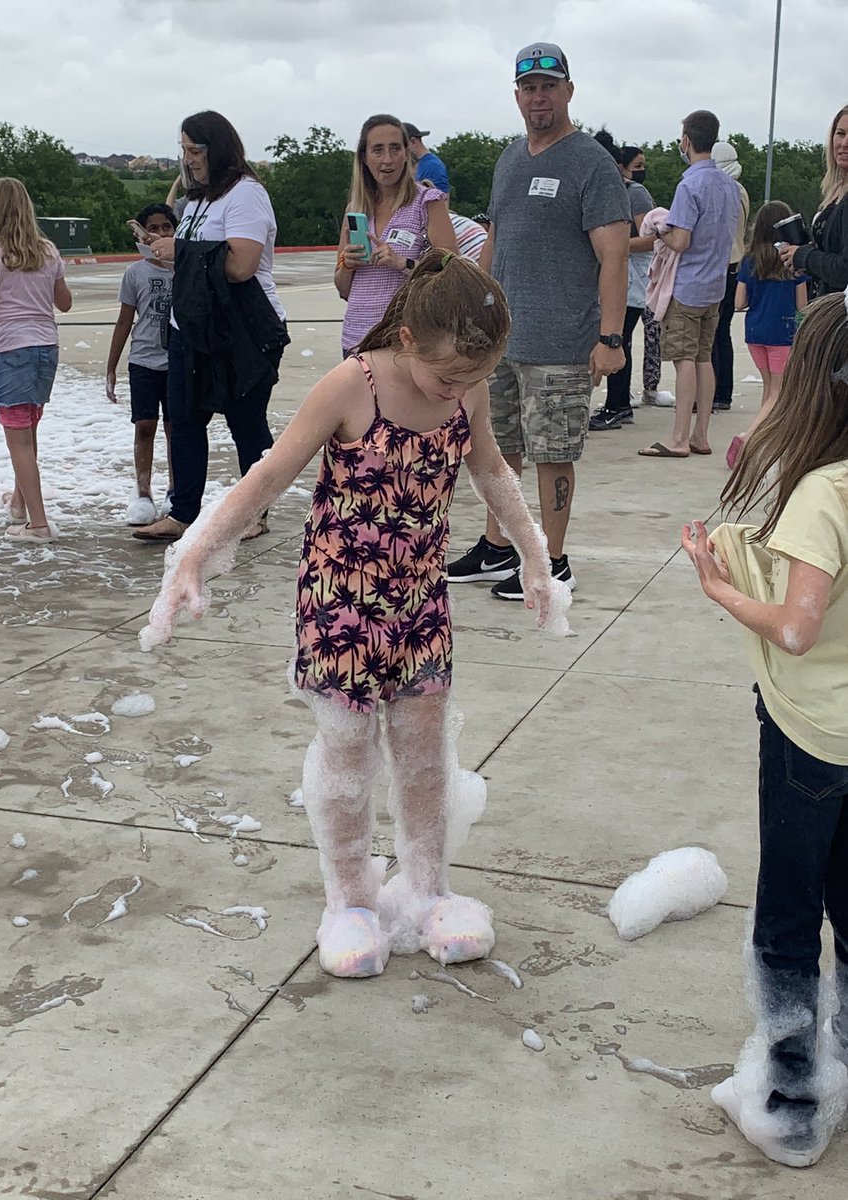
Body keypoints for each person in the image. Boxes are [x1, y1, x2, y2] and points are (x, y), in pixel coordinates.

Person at [140, 251, 571, 979]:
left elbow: (492, 468)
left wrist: (533, 553)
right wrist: (192, 553)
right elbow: (269, 474)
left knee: (426, 756)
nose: (462, 391)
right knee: (346, 758)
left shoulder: (465, 388)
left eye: (474, 379)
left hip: (420, 601)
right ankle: (350, 901)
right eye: (450, 378)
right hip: (341, 602)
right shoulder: (352, 385)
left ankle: (427, 890)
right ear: (407, 339)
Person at [682, 291, 848, 1169]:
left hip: (810, 735)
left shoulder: (824, 490)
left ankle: (789, 1103)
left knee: (788, 918)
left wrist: (721, 588)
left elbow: (795, 627)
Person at [446, 41, 630, 596]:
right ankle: (498, 548)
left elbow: (614, 257)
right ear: (517, 95)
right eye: (529, 87)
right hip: (501, 339)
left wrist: (611, 338)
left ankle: (552, 560)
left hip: (561, 342)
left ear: (568, 91)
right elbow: (496, 241)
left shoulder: (591, 163)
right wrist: (470, 305)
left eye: (549, 85)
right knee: (497, 450)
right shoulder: (509, 158)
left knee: (553, 452)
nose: (539, 97)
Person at [133, 111, 289, 543]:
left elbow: (241, 264)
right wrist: (166, 250)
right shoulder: (199, 199)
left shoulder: (246, 194)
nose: (188, 159)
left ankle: (254, 513)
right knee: (182, 418)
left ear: (217, 149)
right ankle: (182, 512)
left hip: (243, 327)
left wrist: (179, 248)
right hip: (193, 326)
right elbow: (199, 257)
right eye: (183, 149)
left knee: (246, 421)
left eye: (195, 150)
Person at [0, 177, 72, 541]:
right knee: (29, 426)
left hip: (10, 348)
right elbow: (64, 303)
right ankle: (20, 503)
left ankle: (38, 524)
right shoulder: (48, 250)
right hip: (45, 347)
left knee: (17, 436)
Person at [639, 110, 741, 459]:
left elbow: (681, 241)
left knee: (682, 360)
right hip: (715, 284)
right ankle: (700, 435)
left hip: (687, 286)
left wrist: (657, 229)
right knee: (702, 358)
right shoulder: (728, 184)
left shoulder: (690, 185)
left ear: (686, 140)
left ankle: (679, 437)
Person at [335, 114, 457, 356]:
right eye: (377, 150)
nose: (387, 159)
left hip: (405, 338)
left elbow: (452, 270)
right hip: (356, 339)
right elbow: (343, 290)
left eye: (394, 149)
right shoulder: (356, 209)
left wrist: (402, 263)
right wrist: (347, 266)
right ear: (364, 158)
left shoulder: (427, 202)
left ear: (406, 152)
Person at [105, 203, 177, 525]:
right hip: (143, 361)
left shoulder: (185, 267)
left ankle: (176, 492)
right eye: (154, 227)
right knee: (145, 426)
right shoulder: (135, 273)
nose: (160, 233)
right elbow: (124, 322)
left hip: (177, 360)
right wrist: (111, 367)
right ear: (143, 233)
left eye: (167, 227)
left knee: (176, 429)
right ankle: (143, 490)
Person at [726, 201, 809, 468]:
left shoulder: (749, 261)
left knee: (769, 390)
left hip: (755, 332)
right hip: (783, 334)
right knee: (779, 392)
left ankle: (763, 441)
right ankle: (747, 439)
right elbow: (803, 307)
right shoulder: (793, 262)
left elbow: (739, 303)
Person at [589, 134, 657, 431]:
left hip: (632, 279)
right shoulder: (594, 193)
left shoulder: (635, 193)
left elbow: (651, 239)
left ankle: (619, 405)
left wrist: (615, 246)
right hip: (604, 277)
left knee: (619, 338)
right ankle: (614, 402)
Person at [779, 105, 848, 298]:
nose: (844, 143)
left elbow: (844, 271)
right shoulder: (836, 190)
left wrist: (803, 256)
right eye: (840, 133)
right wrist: (801, 257)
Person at [709, 142, 751, 412]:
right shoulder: (741, 191)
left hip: (719, 267)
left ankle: (709, 393)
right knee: (722, 333)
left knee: (710, 334)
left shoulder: (721, 190)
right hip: (736, 264)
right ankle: (724, 392)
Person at [404, 123, 450, 194]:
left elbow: (443, 201)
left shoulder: (433, 167)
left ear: (413, 142)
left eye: (400, 146)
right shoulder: (419, 164)